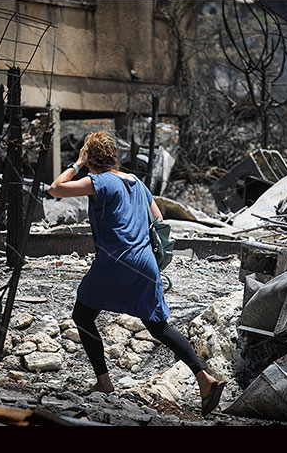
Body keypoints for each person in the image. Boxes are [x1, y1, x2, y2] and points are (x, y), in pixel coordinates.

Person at [48, 130, 225, 417]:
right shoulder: (138, 183)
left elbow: (56, 188)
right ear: (114, 156)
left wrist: (77, 163)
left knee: (82, 316)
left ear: (90, 157)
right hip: (146, 264)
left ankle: (104, 382)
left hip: (116, 261)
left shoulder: (99, 181)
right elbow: (160, 220)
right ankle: (205, 379)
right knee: (159, 326)